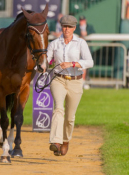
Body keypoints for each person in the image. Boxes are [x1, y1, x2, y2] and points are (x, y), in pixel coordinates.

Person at [47, 15, 93, 156]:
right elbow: (47, 61)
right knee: (58, 109)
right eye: (64, 26)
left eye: (69, 27)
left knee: (70, 117)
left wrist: (72, 64)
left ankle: (66, 140)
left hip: (76, 81)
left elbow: (89, 62)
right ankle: (55, 141)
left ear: (74, 28)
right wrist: (43, 64)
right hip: (58, 80)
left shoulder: (80, 43)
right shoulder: (54, 43)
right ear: (61, 27)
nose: (66, 29)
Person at [75, 15, 95, 89]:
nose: (81, 22)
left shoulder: (89, 27)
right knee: (79, 65)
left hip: (87, 48)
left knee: (86, 65)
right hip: (78, 48)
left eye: (82, 20)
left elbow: (93, 32)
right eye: (80, 20)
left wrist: (86, 34)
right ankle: (80, 82)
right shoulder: (76, 27)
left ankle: (85, 81)